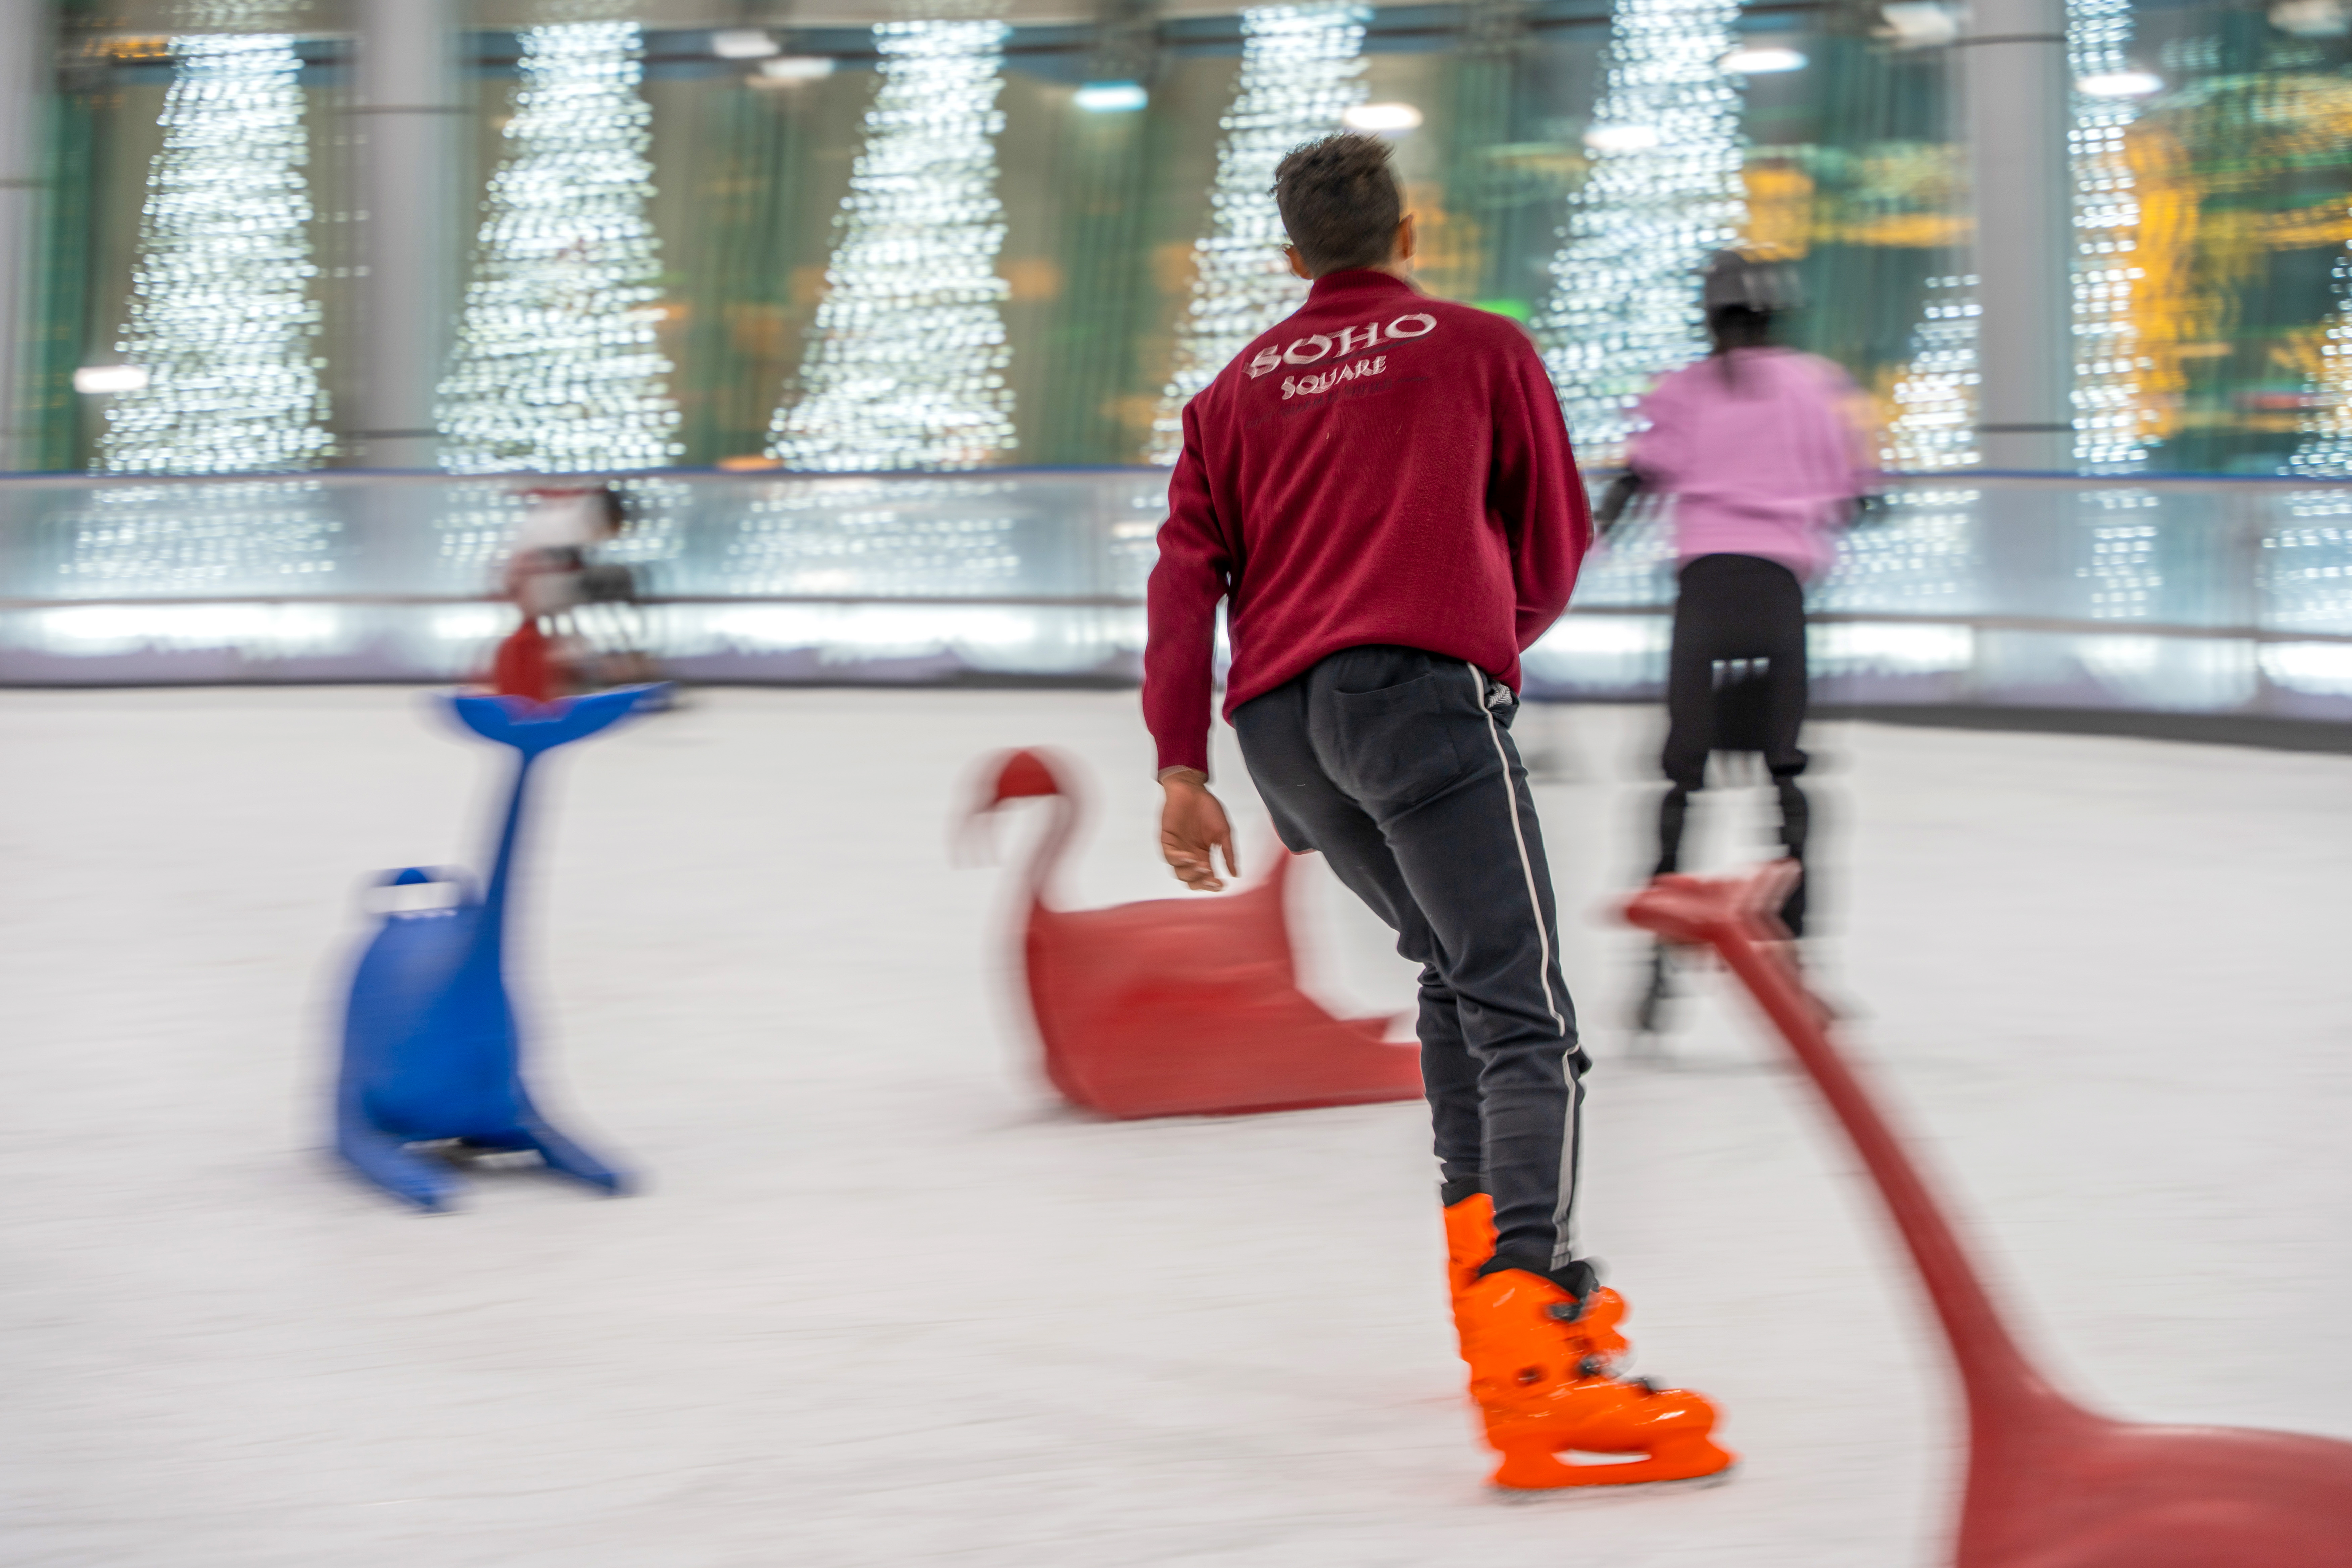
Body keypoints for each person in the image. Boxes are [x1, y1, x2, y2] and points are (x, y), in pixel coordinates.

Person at [1141, 133, 1732, 1491]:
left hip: (1281, 732)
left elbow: (1184, 582)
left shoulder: (1229, 393)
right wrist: (1479, 640)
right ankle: (1539, 1326)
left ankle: (1489, 1300)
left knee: (1453, 977)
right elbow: (1555, 533)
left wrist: (1180, 765)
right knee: (1524, 1008)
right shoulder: (1474, 346)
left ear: (1292, 255)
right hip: (1414, 692)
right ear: (1405, 233)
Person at [1602, 252, 1874, 1029]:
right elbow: (1858, 494)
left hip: (1706, 600)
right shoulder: (1820, 385)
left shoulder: (1682, 388)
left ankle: (1656, 975)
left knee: (1682, 782)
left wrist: (1593, 534)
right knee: (1786, 780)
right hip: (1778, 599)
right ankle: (1799, 961)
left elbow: (1638, 479)